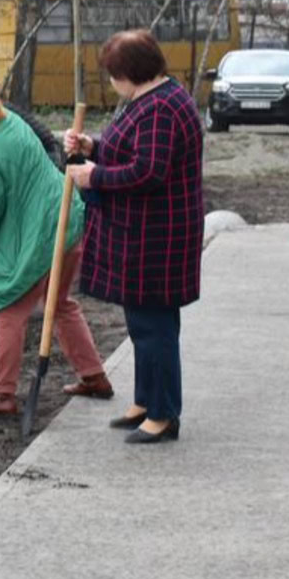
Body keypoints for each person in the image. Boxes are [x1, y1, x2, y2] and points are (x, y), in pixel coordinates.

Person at [0, 73, 112, 416]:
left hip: (41, 233)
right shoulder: (8, 121)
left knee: (8, 309)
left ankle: (1, 394)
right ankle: (93, 375)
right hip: (66, 218)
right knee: (59, 303)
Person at [63, 30, 204, 445]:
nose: (112, 82)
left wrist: (94, 176)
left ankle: (163, 414)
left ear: (131, 72)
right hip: (144, 232)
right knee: (142, 325)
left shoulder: (161, 108)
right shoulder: (151, 100)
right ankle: (145, 401)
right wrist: (93, 146)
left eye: (113, 74)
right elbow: (130, 150)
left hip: (157, 235)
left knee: (155, 327)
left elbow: (148, 171)